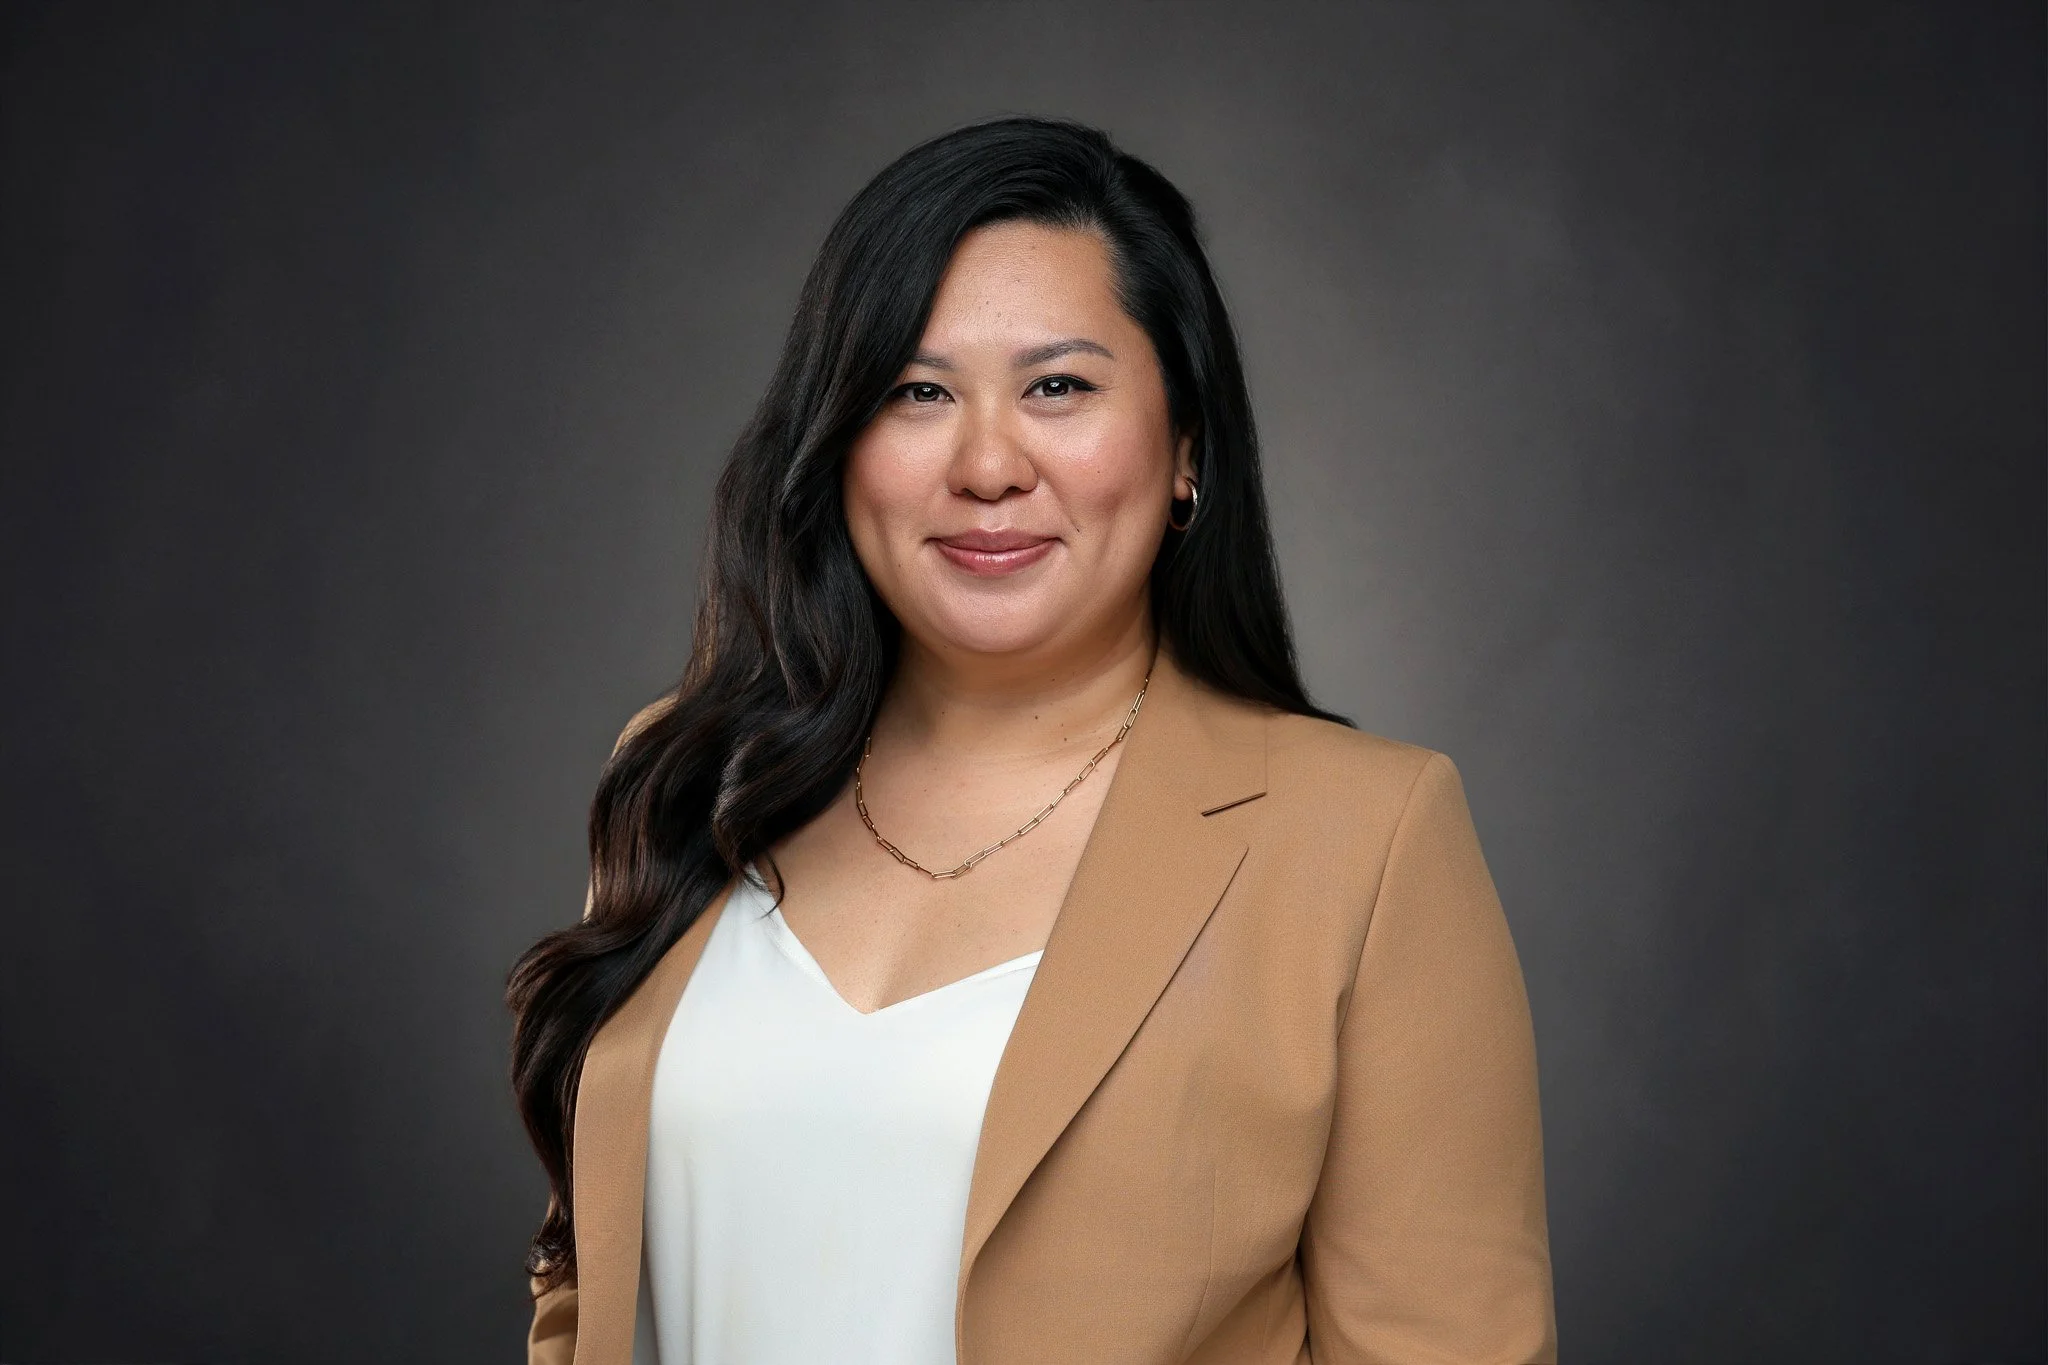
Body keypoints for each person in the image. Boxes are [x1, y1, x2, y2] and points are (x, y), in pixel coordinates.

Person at [508, 115, 1555, 1365]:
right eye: (916, 391)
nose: (987, 462)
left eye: (1058, 386)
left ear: (1185, 451)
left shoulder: (1362, 842)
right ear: (838, 445)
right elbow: (586, 1277)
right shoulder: (693, 774)